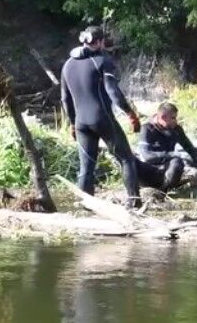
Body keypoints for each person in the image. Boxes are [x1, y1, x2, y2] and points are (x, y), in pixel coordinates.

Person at [60, 26, 142, 204]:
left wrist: (72, 124)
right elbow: (113, 93)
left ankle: (85, 204)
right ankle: (134, 201)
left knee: (86, 167)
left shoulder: (67, 65)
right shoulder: (102, 61)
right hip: (102, 119)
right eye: (103, 41)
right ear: (98, 42)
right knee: (126, 159)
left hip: (81, 123)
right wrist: (131, 114)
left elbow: (65, 99)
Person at [136, 101, 197, 191]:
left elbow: (190, 148)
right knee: (131, 161)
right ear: (163, 117)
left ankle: (164, 190)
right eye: (173, 118)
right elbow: (147, 156)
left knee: (177, 162)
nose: (175, 121)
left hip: (166, 170)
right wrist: (173, 154)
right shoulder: (147, 129)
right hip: (148, 170)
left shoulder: (176, 129)